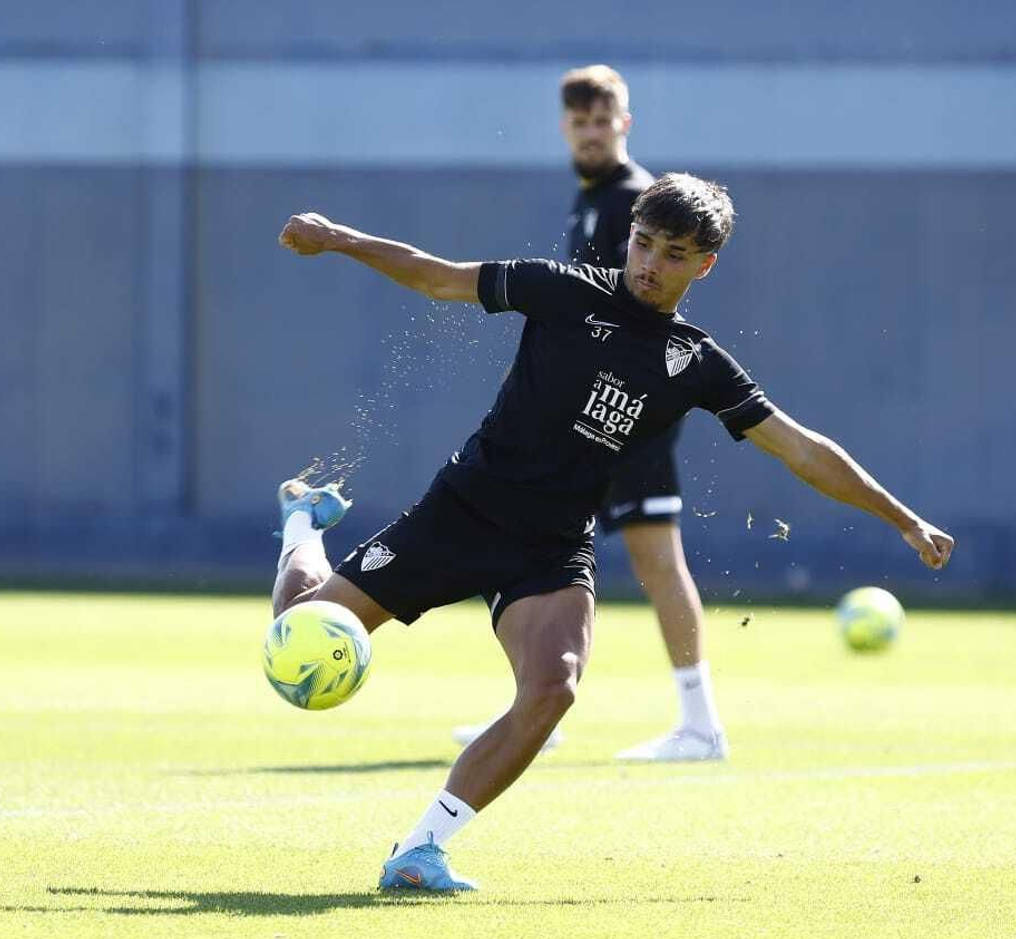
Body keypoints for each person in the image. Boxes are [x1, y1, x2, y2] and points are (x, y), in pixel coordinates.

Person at [273, 173, 955, 892]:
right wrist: (339, 238)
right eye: (644, 243)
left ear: (704, 266)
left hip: (550, 546)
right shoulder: (562, 289)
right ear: (630, 235)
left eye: (674, 254)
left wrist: (904, 519)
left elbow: (802, 449)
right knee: (294, 635)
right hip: (462, 512)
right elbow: (438, 278)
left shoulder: (697, 362)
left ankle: (420, 851)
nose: (651, 263)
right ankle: (301, 524)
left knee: (554, 685)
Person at [454, 65, 724, 762]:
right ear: (565, 128)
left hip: (624, 414)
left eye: (604, 121)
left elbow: (626, 316)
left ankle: (700, 724)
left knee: (656, 560)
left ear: (624, 124)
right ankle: (538, 705)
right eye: (580, 123)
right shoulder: (592, 202)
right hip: (589, 416)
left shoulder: (634, 199)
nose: (592, 133)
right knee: (528, 543)